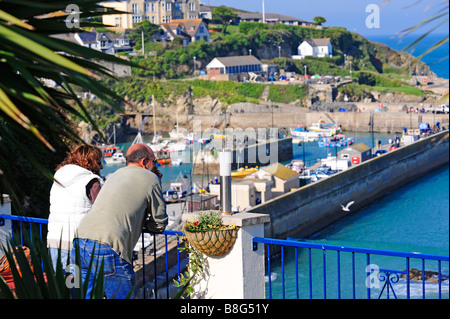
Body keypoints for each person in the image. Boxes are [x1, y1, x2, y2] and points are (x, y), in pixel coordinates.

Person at [73, 143, 168, 299]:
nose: (156, 165)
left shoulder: (114, 174)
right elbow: (160, 221)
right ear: (144, 162)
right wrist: (145, 225)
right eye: (155, 161)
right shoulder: (152, 178)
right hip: (108, 244)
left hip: (80, 240)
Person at [47, 144, 103, 271]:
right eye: (99, 163)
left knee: (61, 286)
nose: (101, 167)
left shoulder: (58, 176)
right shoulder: (90, 181)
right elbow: (102, 210)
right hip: (77, 244)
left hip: (55, 240)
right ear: (91, 162)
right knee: (77, 286)